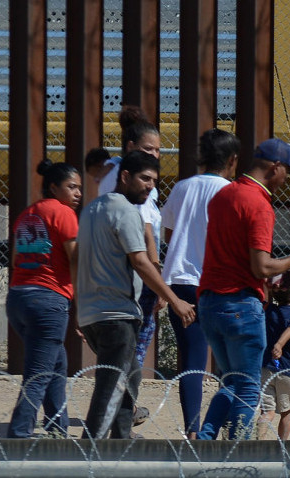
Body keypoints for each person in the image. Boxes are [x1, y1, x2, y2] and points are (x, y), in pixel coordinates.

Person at [196, 138, 290, 440]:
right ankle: (238, 457)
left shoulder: (223, 195)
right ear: (275, 167)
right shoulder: (259, 204)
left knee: (231, 383)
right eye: (287, 171)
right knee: (248, 386)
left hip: (209, 302)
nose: (287, 179)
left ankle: (206, 442)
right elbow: (261, 267)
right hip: (240, 306)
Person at [74, 151, 196, 439]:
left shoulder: (92, 209)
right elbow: (140, 261)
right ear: (125, 176)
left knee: (130, 378)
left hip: (92, 313)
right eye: (144, 179)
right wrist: (175, 301)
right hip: (117, 314)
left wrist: (77, 307)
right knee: (111, 387)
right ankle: (87, 454)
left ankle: (122, 438)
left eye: (154, 181)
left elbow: (77, 259)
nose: (150, 186)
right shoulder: (127, 212)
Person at [159, 128, 240, 439]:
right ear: (232, 160)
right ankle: (225, 427)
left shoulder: (182, 187)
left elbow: (169, 233)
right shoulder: (229, 191)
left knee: (191, 359)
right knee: (230, 361)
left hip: (179, 280)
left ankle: (193, 430)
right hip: (214, 281)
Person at [6, 160, 82, 438]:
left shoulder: (27, 215)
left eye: (79, 188)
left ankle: (57, 428)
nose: (77, 194)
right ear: (53, 187)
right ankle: (18, 435)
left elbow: (15, 259)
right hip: (48, 300)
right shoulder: (63, 213)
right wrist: (81, 304)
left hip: (18, 299)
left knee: (56, 362)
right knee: (38, 374)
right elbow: (75, 257)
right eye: (71, 187)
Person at [99, 107, 164, 427]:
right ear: (131, 146)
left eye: (157, 150)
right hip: (136, 275)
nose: (154, 155)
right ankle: (123, 413)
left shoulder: (112, 172)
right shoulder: (133, 181)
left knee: (126, 352)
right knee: (133, 352)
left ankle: (120, 413)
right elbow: (147, 231)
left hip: (120, 273)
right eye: (148, 149)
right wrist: (157, 277)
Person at [257, 281, 290, 440]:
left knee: (267, 411)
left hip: (266, 368)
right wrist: (280, 344)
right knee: (287, 412)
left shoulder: (267, 310)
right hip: (288, 371)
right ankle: (282, 446)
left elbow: (258, 299)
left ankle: (259, 442)